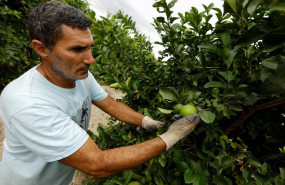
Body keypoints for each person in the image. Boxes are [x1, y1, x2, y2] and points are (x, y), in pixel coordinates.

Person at [0, 1, 201, 185]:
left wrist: (147, 122)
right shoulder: (27, 102)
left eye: (90, 47)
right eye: (78, 49)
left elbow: (110, 104)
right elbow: (97, 164)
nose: (91, 59)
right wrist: (171, 136)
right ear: (42, 49)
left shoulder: (80, 76)